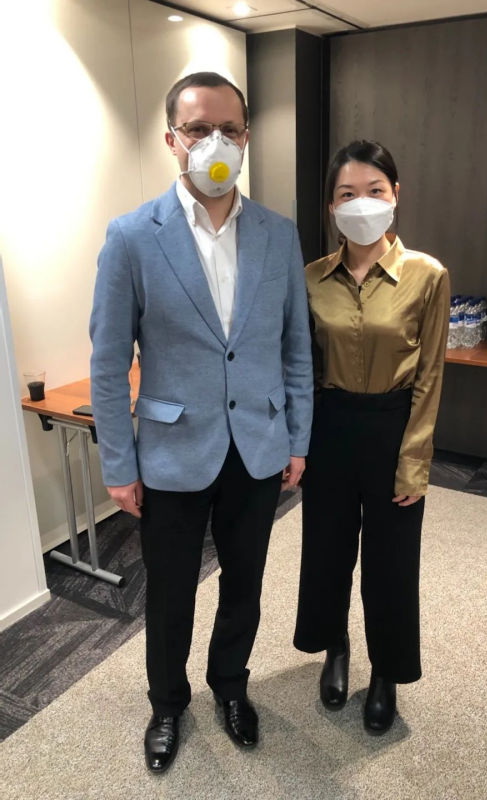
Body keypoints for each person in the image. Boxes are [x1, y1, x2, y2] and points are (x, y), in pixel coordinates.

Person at [90, 72, 313, 772]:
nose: (215, 141)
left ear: (246, 137)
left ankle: (230, 686)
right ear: (172, 140)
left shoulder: (279, 234)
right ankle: (167, 703)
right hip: (170, 451)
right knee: (171, 592)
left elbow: (295, 348)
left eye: (229, 129)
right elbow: (107, 363)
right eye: (198, 129)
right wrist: (119, 465)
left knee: (244, 583)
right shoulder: (131, 237)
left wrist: (298, 438)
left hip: (258, 447)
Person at [294, 140, 450, 735]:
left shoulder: (427, 275)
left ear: (395, 195)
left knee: (391, 563)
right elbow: (300, 369)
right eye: (347, 193)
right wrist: (297, 445)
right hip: (330, 428)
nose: (362, 203)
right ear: (332, 206)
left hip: (393, 429)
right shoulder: (311, 279)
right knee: (328, 552)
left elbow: (430, 376)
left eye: (374, 190)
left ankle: (386, 671)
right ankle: (335, 648)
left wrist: (415, 461)